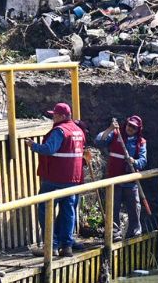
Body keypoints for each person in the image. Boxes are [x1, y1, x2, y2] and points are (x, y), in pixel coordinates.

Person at [26, 102, 85, 257]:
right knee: (68, 211)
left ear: (62, 116)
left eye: (55, 115)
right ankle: (67, 247)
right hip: (73, 180)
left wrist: (33, 146)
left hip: (55, 178)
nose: (53, 117)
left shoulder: (60, 131)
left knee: (45, 209)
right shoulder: (78, 131)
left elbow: (49, 149)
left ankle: (51, 245)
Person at [94, 115, 148, 240]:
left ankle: (134, 231)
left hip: (130, 181)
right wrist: (110, 128)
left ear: (138, 129)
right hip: (114, 179)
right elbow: (99, 141)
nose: (130, 128)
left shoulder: (141, 142)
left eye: (134, 127)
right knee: (114, 207)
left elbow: (143, 161)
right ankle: (115, 232)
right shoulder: (115, 134)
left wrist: (133, 161)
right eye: (129, 125)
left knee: (134, 207)